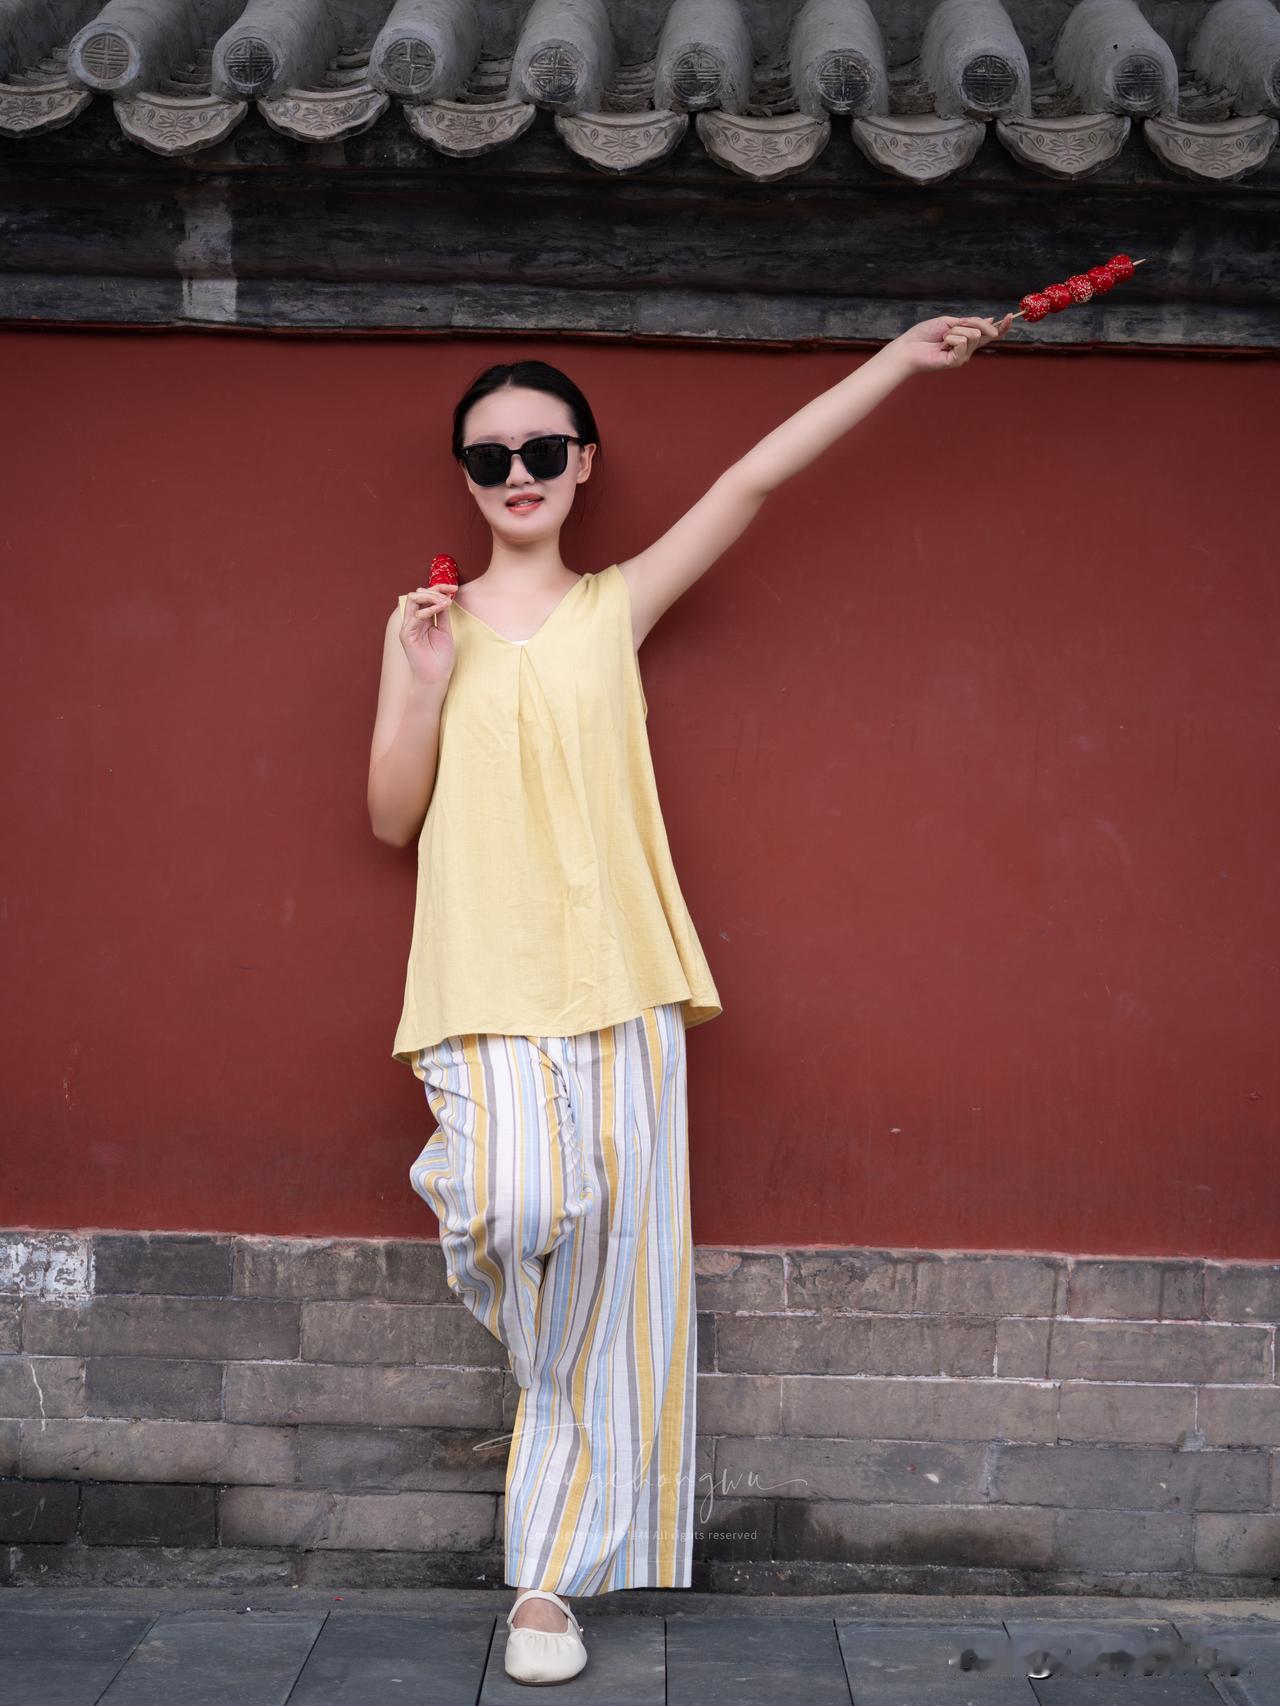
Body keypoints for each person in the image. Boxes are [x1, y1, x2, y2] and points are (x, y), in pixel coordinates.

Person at [366, 309, 1011, 1685]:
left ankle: (545, 1585)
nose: (519, 472)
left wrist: (899, 361)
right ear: (466, 476)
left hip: (621, 985)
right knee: (516, 1209)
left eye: (544, 449)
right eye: (490, 457)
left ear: (584, 461)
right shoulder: (427, 626)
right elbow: (388, 815)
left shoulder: (616, 605)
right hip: (478, 985)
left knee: (619, 1284)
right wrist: (420, 686)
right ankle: (562, 1420)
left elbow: (754, 481)